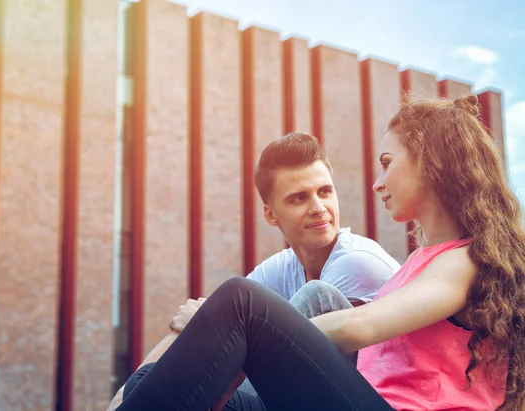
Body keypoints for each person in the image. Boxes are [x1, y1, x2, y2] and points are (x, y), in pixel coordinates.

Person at [116, 95, 525, 410]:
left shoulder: (465, 260)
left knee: (242, 303)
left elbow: (360, 327)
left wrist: (239, 336)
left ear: (430, 163)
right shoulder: (423, 263)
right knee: (147, 382)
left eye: (387, 163)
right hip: (359, 398)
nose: (377, 183)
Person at [106, 132, 400, 410]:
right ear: (271, 214)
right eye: (299, 198)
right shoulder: (279, 268)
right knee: (143, 382)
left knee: (308, 296)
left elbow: (308, 363)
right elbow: (211, 325)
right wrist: (117, 401)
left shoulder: (356, 262)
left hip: (362, 401)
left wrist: (213, 334)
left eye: (325, 192)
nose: (318, 207)